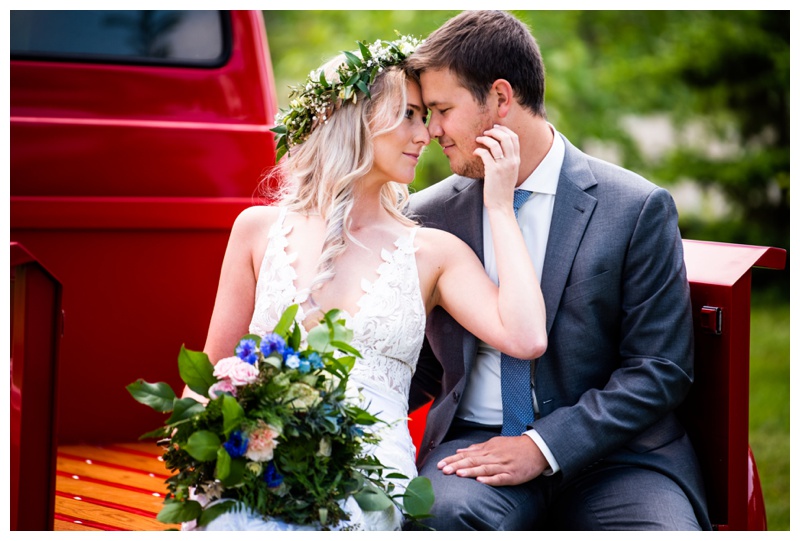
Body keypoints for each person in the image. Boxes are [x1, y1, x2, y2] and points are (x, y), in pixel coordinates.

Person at [185, 35, 547, 531]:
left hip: (368, 482)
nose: (426, 135)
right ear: (356, 119)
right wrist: (202, 462)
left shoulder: (433, 254)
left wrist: (500, 205)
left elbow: (526, 338)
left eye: (428, 116)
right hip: (258, 463)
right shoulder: (256, 230)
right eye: (410, 115)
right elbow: (207, 377)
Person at [405, 10, 712, 531]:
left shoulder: (635, 207)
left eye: (441, 109)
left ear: (501, 99)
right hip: (473, 450)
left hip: (620, 459)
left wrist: (542, 446)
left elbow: (660, 368)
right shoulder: (430, 216)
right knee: (438, 519)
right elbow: (413, 360)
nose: (432, 130)